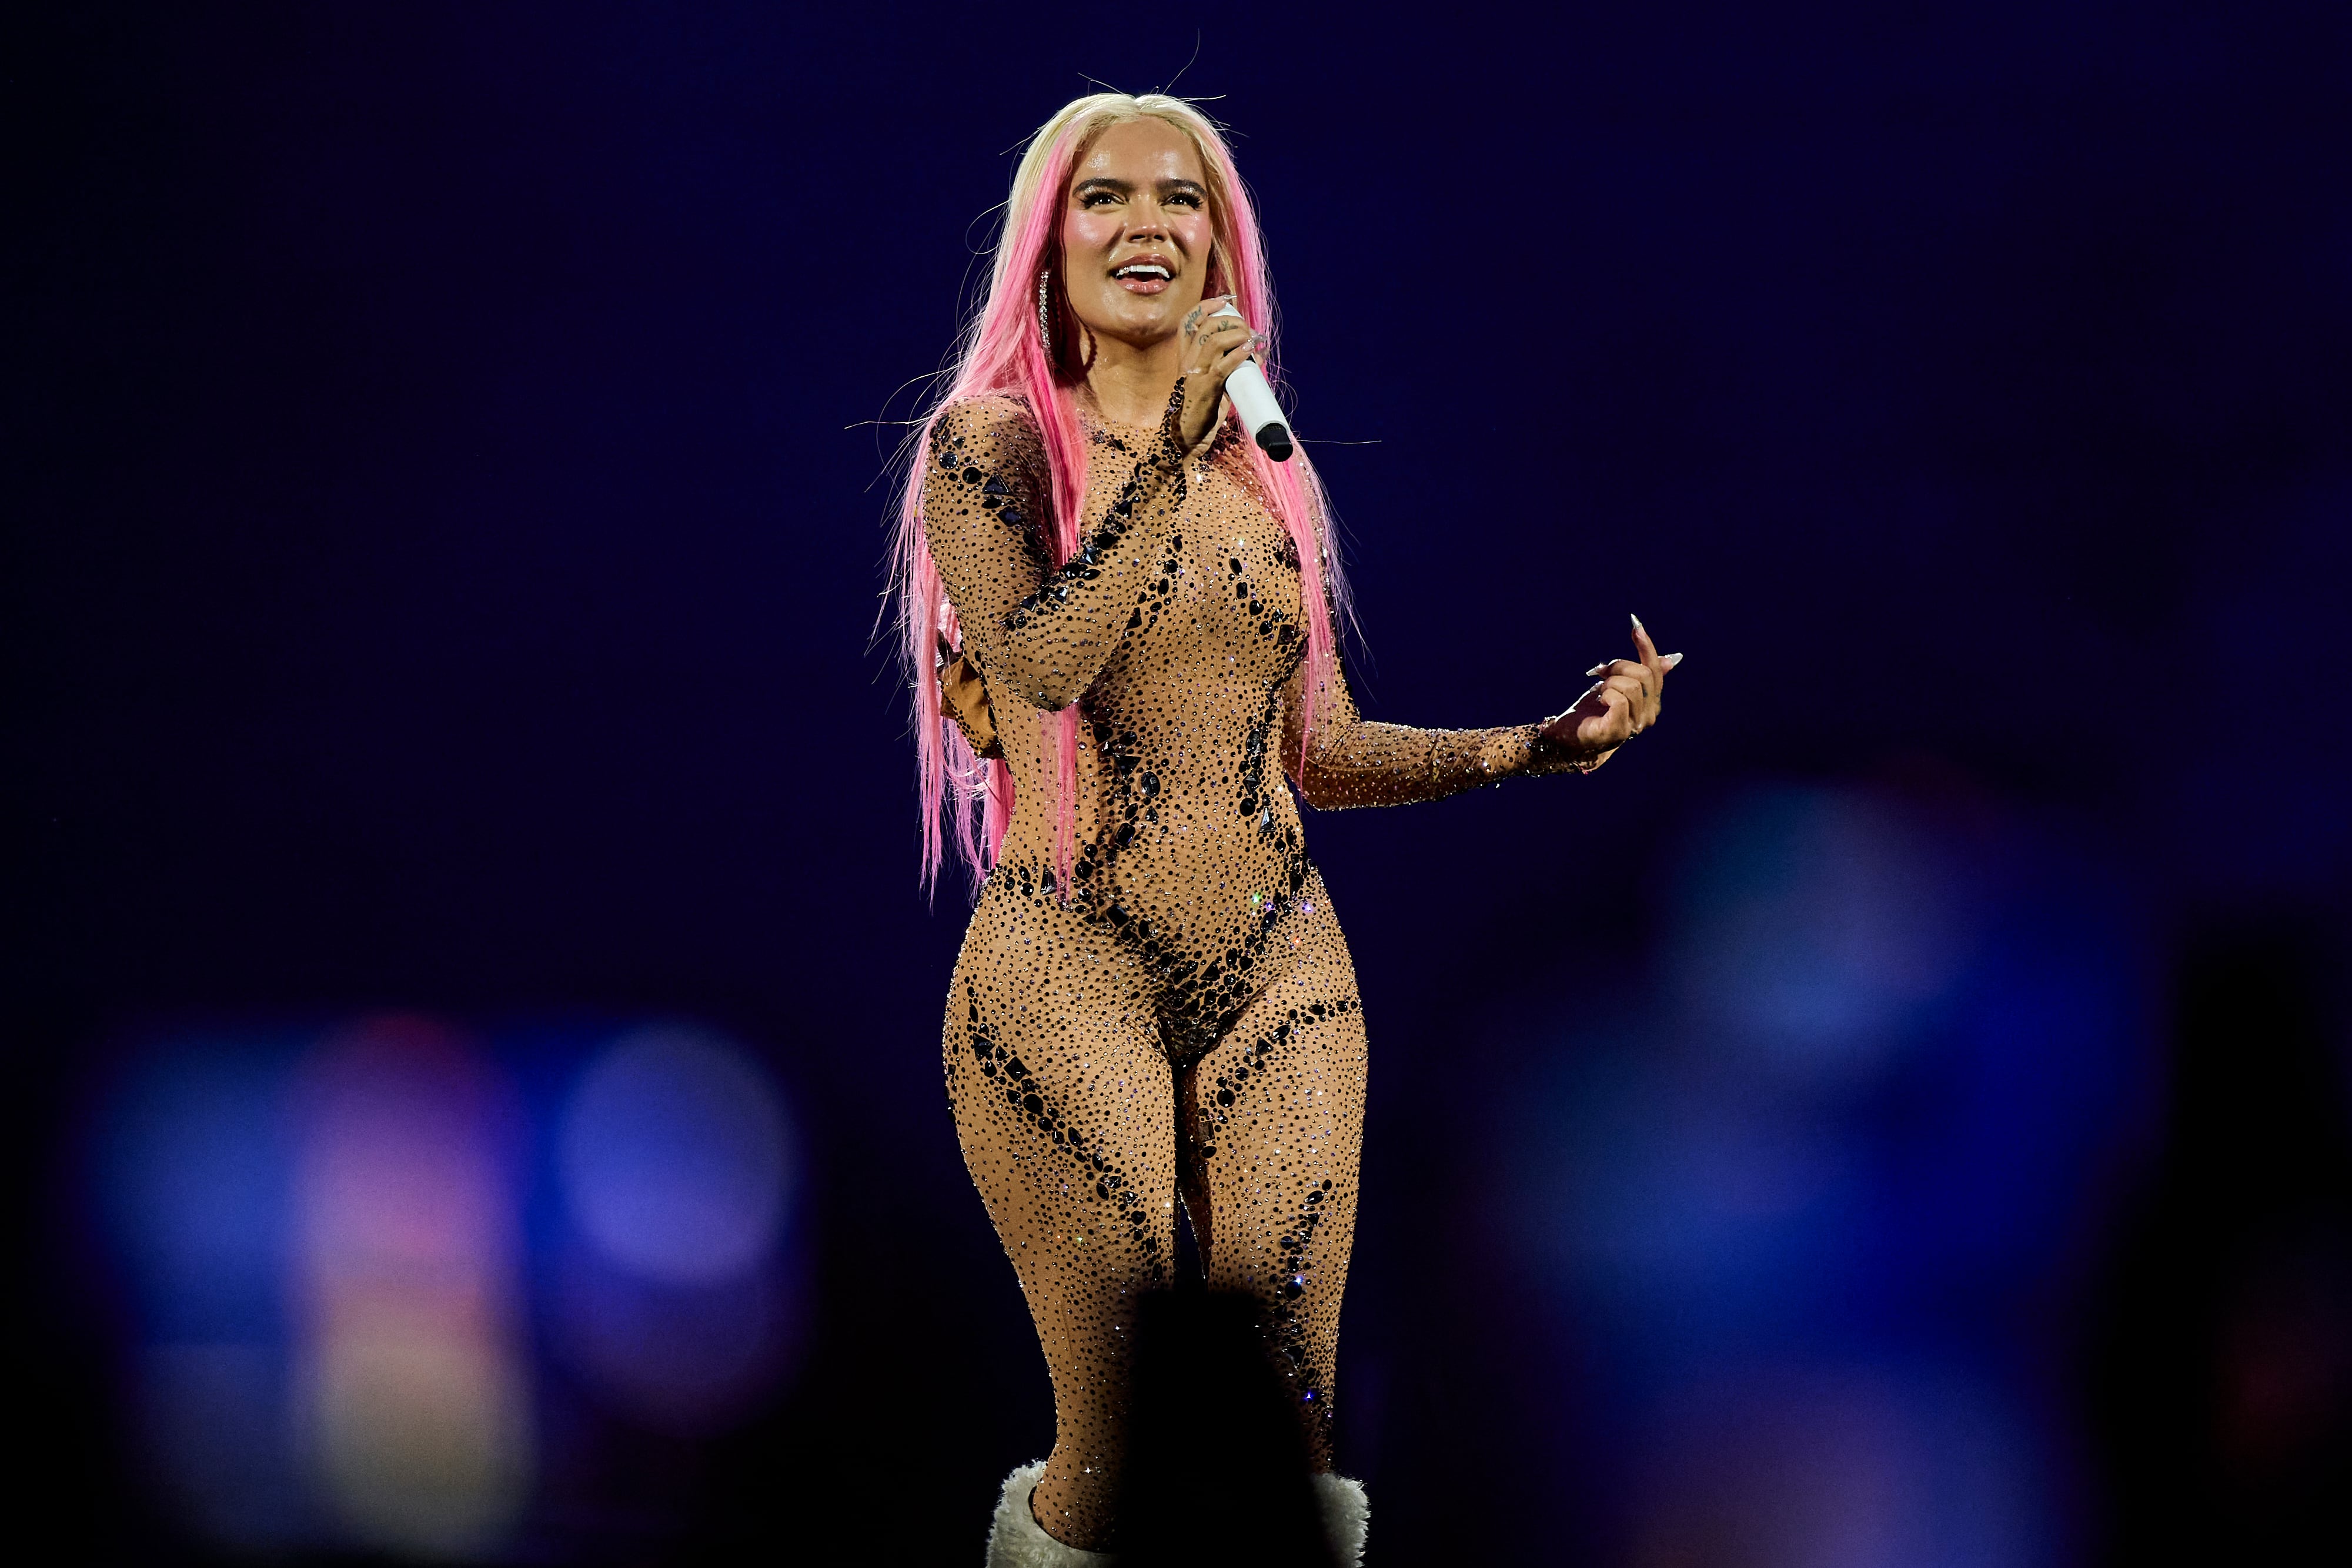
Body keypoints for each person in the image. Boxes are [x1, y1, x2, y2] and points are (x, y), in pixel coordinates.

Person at [890, 91, 1679, 1566]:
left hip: (1281, 960)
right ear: (1047, 242)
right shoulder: (989, 449)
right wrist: (1158, 469)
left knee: (1286, 1423)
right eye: (1104, 198)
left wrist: (1539, 745)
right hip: (1069, 958)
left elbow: (1314, 746)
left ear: (1219, 245)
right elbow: (1042, 664)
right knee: (1122, 1433)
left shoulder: (1270, 477)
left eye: (1179, 200)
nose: (1145, 227)